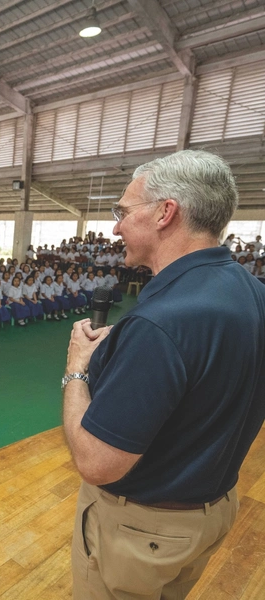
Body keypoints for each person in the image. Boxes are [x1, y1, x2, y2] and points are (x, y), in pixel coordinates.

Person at [64, 150, 265, 599]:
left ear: (165, 213)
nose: (115, 227)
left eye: (123, 211)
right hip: (209, 511)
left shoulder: (162, 323)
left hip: (143, 530)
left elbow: (97, 463)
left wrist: (76, 369)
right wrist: (147, 352)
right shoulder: (251, 291)